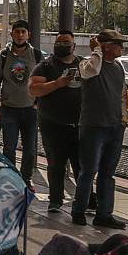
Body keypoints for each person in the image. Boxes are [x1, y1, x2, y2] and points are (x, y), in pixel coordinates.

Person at [70, 29, 128, 229]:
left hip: (115, 126)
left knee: (107, 173)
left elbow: (122, 94)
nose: (121, 48)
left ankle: (104, 214)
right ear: (106, 46)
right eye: (117, 44)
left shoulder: (119, 68)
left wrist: (123, 119)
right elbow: (91, 72)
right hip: (93, 126)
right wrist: (96, 51)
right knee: (88, 171)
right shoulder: (87, 63)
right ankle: (79, 210)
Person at [29, 31, 83, 213]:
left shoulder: (83, 64)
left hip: (79, 124)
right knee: (56, 164)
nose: (61, 45)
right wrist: (57, 84)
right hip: (53, 124)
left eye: (66, 42)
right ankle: (55, 200)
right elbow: (33, 89)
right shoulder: (45, 66)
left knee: (81, 165)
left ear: (74, 46)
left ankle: (85, 199)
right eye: (58, 42)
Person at [0, 19, 43, 182]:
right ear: (12, 34)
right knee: (9, 148)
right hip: (9, 109)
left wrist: (39, 103)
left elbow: (43, 81)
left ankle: (26, 180)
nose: (20, 35)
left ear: (28, 35)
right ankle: (10, 180)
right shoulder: (2, 56)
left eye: (23, 32)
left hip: (30, 110)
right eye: (17, 32)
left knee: (30, 150)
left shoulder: (36, 55)